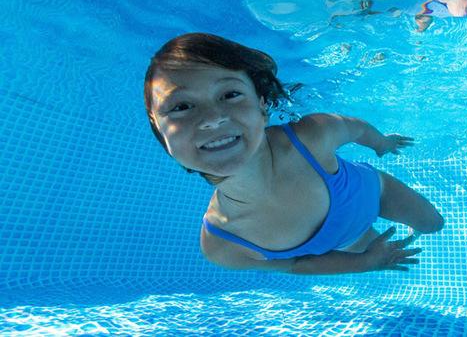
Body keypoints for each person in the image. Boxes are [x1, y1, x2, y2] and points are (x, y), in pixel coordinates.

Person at [143, 33, 445, 275]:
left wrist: (382, 144)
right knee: (376, 247)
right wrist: (366, 263)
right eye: (181, 106)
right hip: (348, 240)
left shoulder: (310, 136)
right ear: (159, 131)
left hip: (378, 193)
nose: (212, 118)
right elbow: (297, 265)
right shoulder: (222, 244)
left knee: (433, 224)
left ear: (262, 107)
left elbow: (356, 129)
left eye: (230, 94)